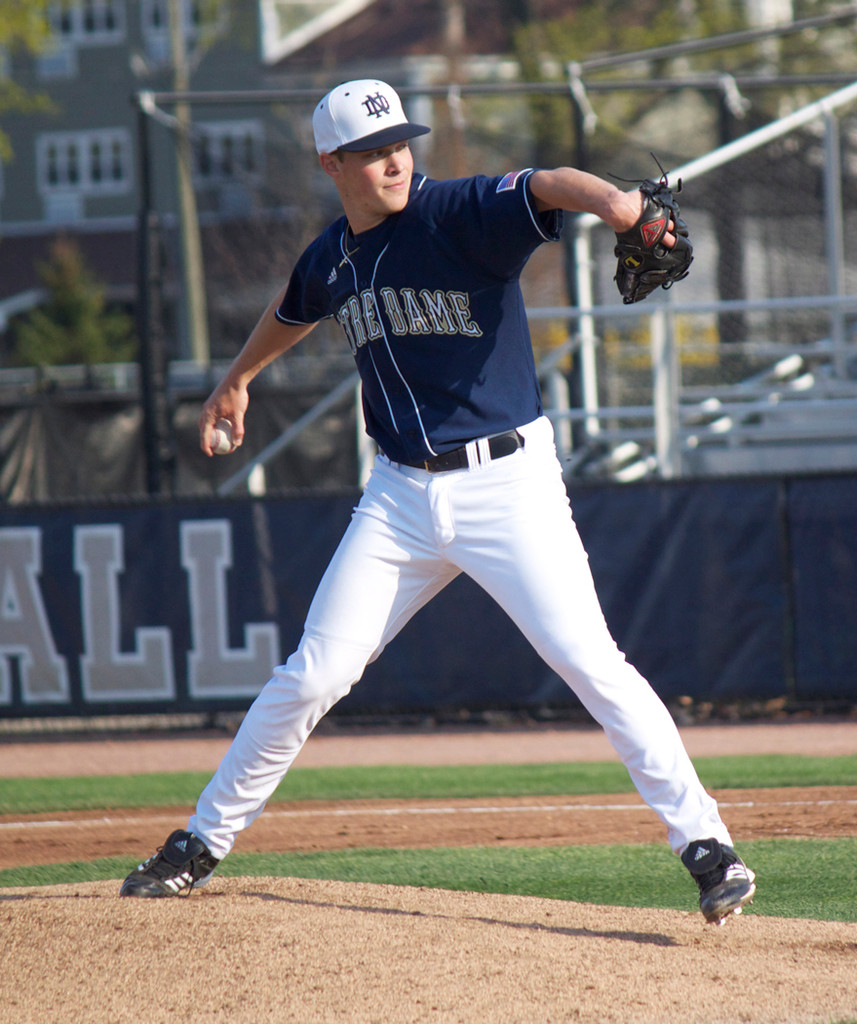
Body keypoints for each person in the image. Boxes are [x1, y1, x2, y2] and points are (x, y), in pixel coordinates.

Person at [120, 79, 755, 924]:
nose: (394, 158)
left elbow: (542, 182)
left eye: (401, 142)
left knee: (589, 661)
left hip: (507, 484)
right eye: (373, 150)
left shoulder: (454, 212)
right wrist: (238, 377)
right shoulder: (333, 256)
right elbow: (292, 307)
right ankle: (198, 843)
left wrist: (613, 203)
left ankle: (708, 849)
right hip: (398, 499)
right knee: (313, 675)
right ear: (332, 163)